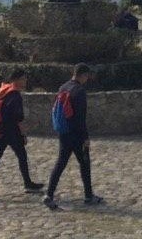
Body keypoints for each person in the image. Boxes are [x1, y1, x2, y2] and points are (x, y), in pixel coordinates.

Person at [43, 63, 103, 209]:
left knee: (61, 163)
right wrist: (86, 138)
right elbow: (80, 118)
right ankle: (88, 196)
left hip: (64, 132)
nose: (87, 79)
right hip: (76, 135)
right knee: (84, 164)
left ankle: (49, 194)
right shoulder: (80, 91)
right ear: (83, 75)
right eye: (87, 76)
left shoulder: (63, 87)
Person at [0, 69, 43, 200]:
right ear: (16, 79)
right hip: (11, 132)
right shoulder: (15, 96)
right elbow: (18, 118)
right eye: (23, 79)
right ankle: (27, 184)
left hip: (2, 130)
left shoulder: (5, 91)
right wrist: (23, 134)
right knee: (21, 156)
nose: (25, 81)